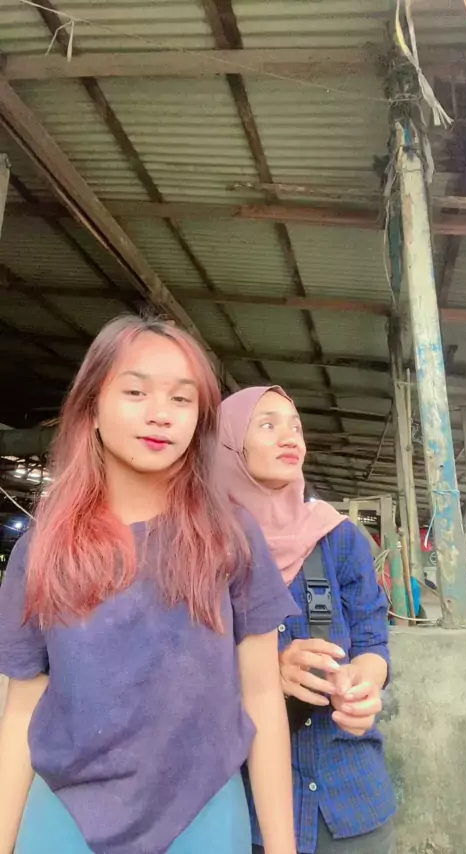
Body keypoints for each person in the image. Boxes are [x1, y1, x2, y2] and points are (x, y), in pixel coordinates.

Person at [0, 319, 299, 854]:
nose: (161, 413)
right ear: (92, 409)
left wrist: (282, 847)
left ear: (199, 421)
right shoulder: (42, 549)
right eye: (136, 392)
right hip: (63, 819)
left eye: (182, 399)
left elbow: (260, 694)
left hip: (204, 815)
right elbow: (23, 706)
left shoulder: (229, 537)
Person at [217, 386, 397, 854]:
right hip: (245, 811)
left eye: (295, 426)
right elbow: (179, 670)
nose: (290, 436)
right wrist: (266, 675)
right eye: (268, 424)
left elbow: (372, 641)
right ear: (229, 443)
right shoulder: (205, 546)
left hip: (351, 801)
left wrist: (362, 685)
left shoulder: (338, 537)